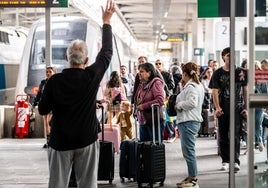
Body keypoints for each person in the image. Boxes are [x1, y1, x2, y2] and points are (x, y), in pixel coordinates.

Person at [37, 1, 115, 187]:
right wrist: (106, 22)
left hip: (60, 140)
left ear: (66, 58)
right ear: (86, 60)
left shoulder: (53, 81)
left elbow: (42, 110)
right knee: (87, 184)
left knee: (57, 183)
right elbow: (106, 52)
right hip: (86, 139)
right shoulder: (91, 76)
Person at [209, 47, 247, 172]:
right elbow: (214, 91)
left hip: (236, 107)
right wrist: (217, 107)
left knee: (236, 134)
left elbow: (245, 90)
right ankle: (225, 160)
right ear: (224, 57)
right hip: (223, 107)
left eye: (232, 55)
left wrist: (246, 107)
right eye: (228, 55)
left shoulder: (240, 72)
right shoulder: (218, 73)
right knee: (223, 134)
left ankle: (235, 161)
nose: (231, 57)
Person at [174, 62, 204, 188]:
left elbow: (192, 102)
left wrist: (178, 105)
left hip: (189, 121)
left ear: (185, 73)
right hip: (190, 120)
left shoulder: (192, 86)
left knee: (189, 151)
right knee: (188, 151)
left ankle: (193, 179)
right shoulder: (196, 85)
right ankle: (191, 176)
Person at [134, 62, 165, 142]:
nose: (139, 74)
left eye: (141, 71)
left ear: (149, 73)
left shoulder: (156, 83)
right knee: (144, 147)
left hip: (154, 121)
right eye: (139, 71)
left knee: (155, 148)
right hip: (144, 120)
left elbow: (160, 100)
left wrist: (143, 106)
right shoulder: (142, 84)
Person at [33, 66, 56, 148]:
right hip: (45, 104)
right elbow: (39, 94)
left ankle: (53, 139)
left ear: (54, 72)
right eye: (47, 72)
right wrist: (35, 102)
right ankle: (48, 140)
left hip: (54, 106)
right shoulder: (43, 83)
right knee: (46, 123)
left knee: (51, 122)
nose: (48, 73)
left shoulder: (56, 82)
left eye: (50, 71)